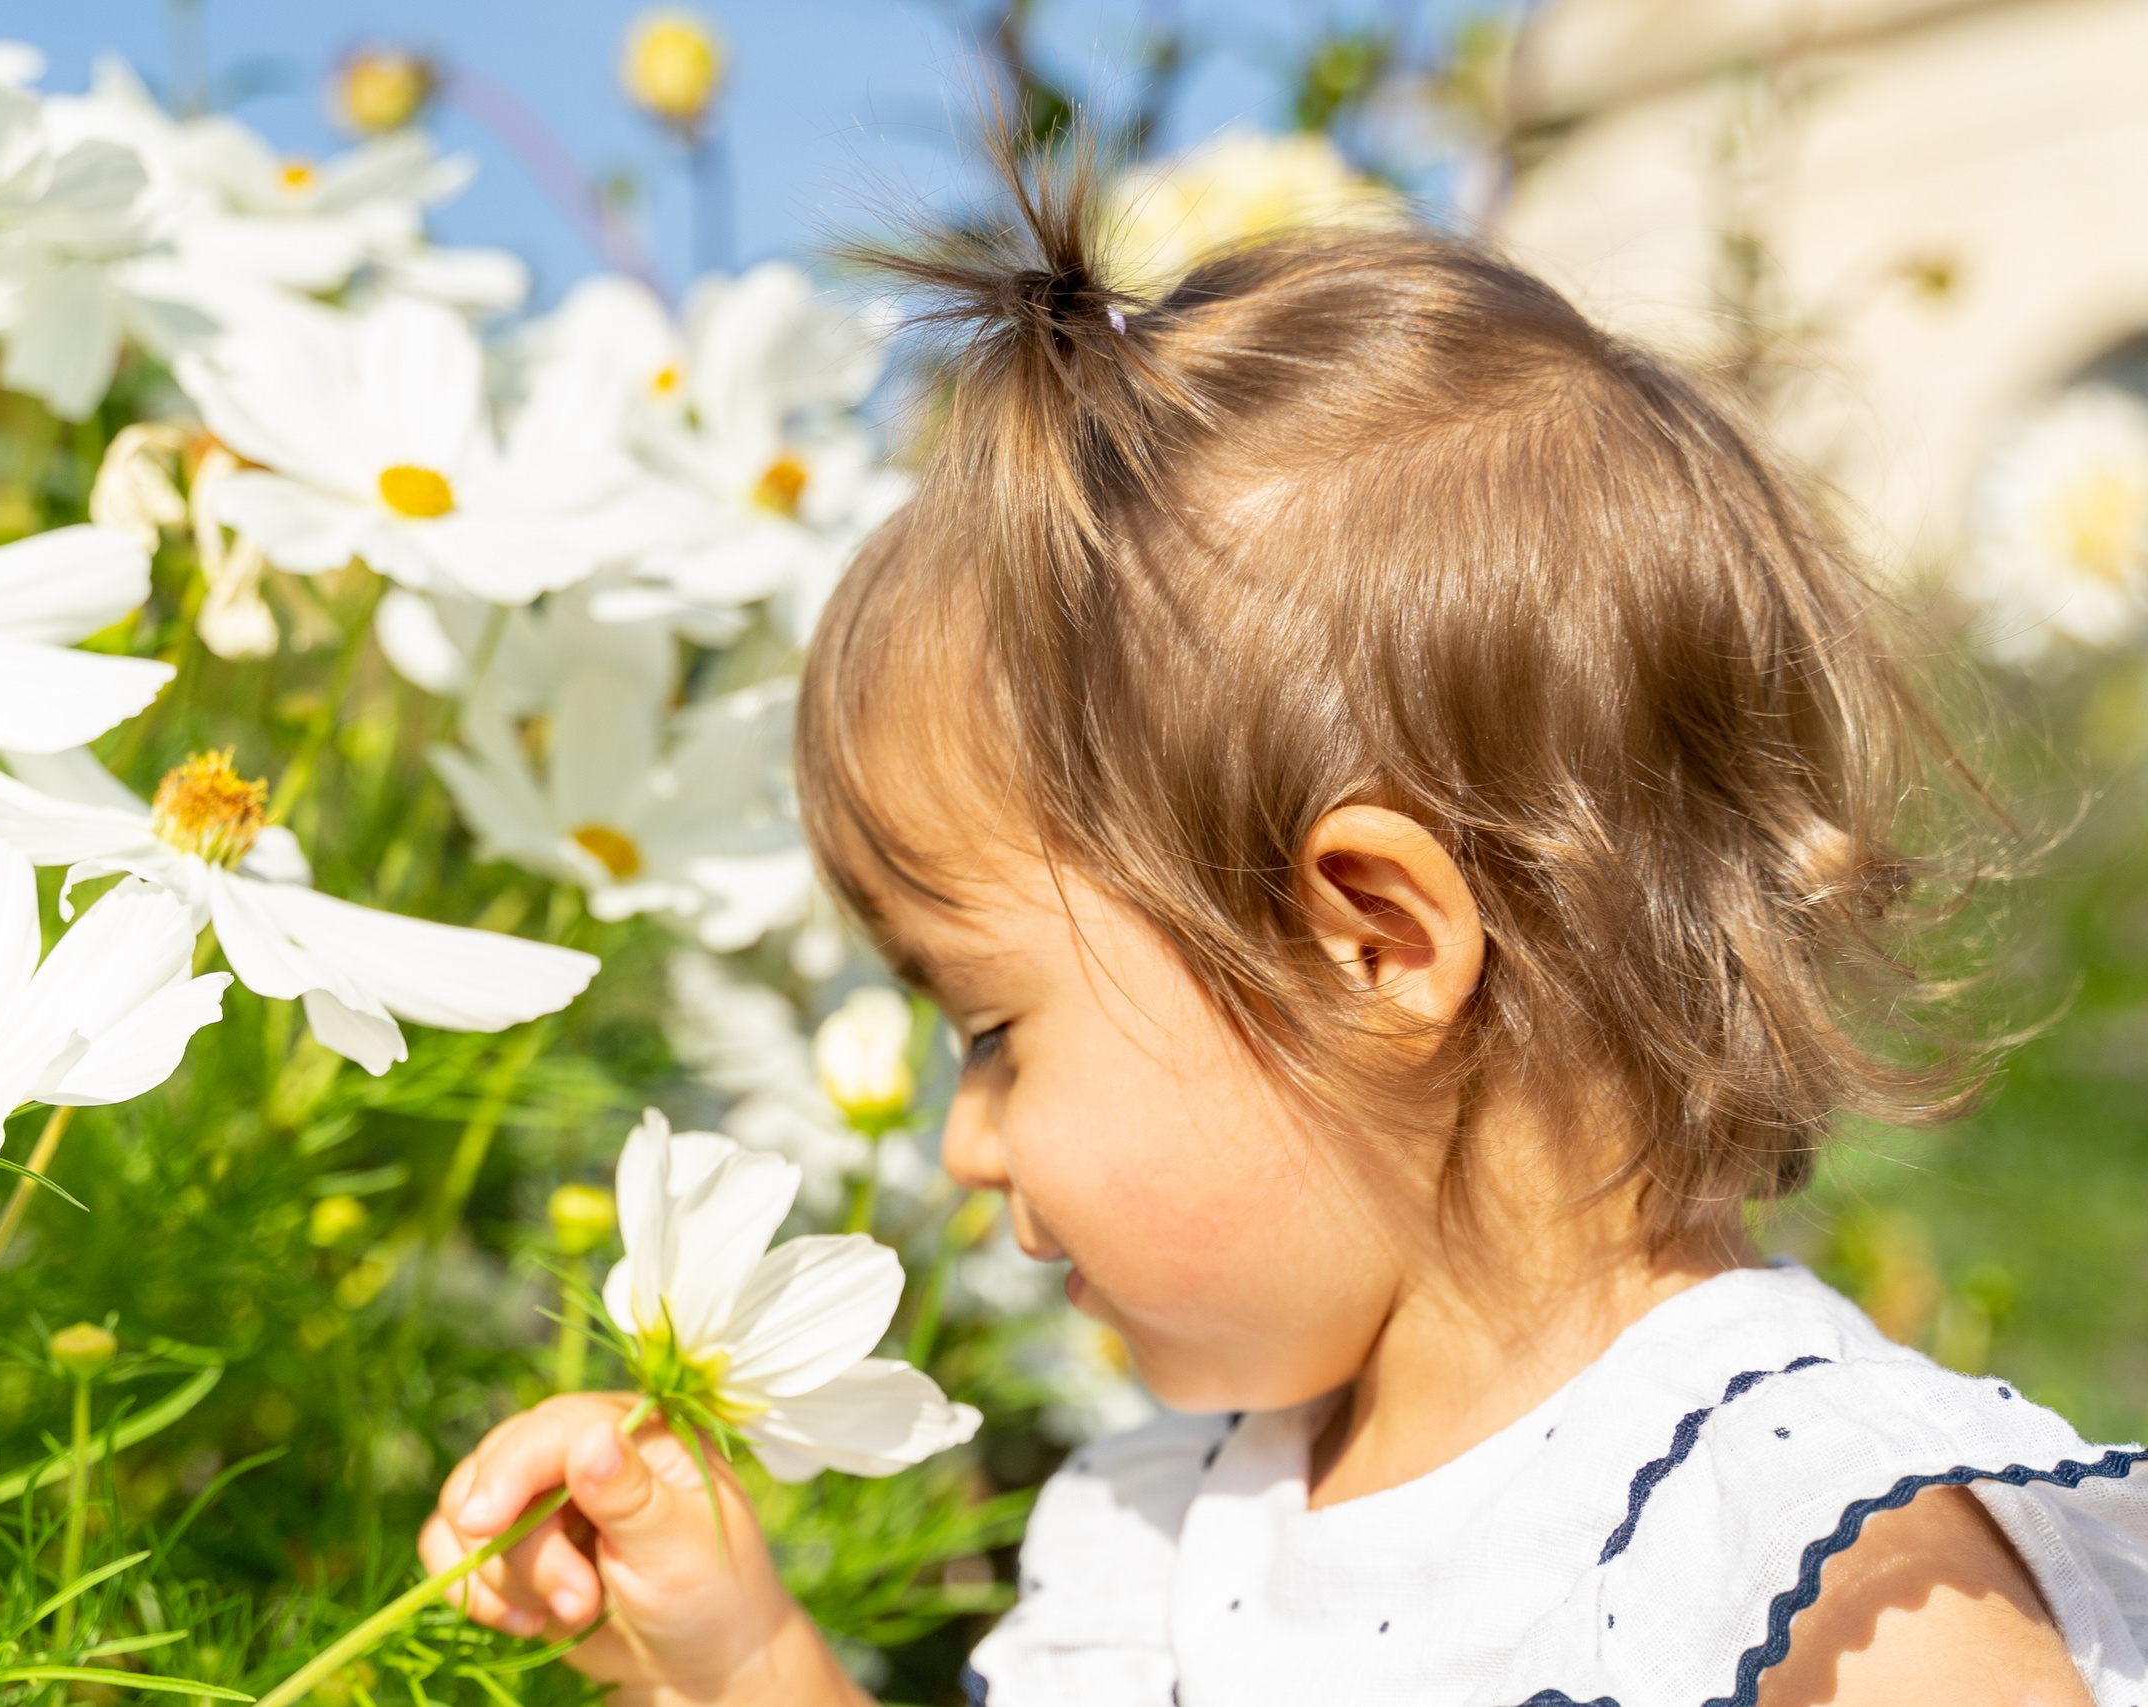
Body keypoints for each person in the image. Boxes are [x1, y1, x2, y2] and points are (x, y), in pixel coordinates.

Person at [418, 143, 2148, 1707]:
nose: (966, 1143)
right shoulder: (1168, 1537)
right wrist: (732, 1666)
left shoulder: (1800, 1546)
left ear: (1376, 943)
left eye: (995, 1031)